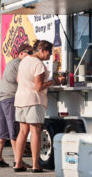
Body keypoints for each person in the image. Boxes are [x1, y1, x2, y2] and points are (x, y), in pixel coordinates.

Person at [13, 40, 65, 173]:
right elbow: (38, 87)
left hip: (20, 99)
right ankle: (36, 165)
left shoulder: (24, 60)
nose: (50, 56)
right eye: (49, 52)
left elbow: (18, 79)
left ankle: (18, 163)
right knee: (35, 131)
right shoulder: (39, 65)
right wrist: (55, 81)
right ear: (42, 50)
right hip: (34, 101)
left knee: (22, 132)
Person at [0, 43, 34, 168]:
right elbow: (20, 80)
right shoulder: (19, 64)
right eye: (29, 53)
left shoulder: (12, 63)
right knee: (15, 130)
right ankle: (18, 161)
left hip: (2, 99)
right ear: (21, 53)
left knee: (3, 129)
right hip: (11, 98)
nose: (31, 56)